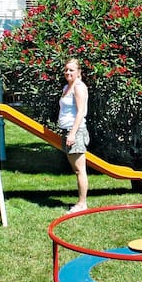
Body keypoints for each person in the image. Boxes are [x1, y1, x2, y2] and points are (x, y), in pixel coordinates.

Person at [57, 58, 89, 213]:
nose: (68, 72)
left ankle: (82, 204)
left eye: (71, 70)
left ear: (78, 72)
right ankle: (81, 203)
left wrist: (72, 134)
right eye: (66, 70)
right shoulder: (67, 87)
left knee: (79, 170)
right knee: (76, 169)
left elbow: (81, 112)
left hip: (75, 131)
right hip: (67, 130)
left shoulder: (78, 87)